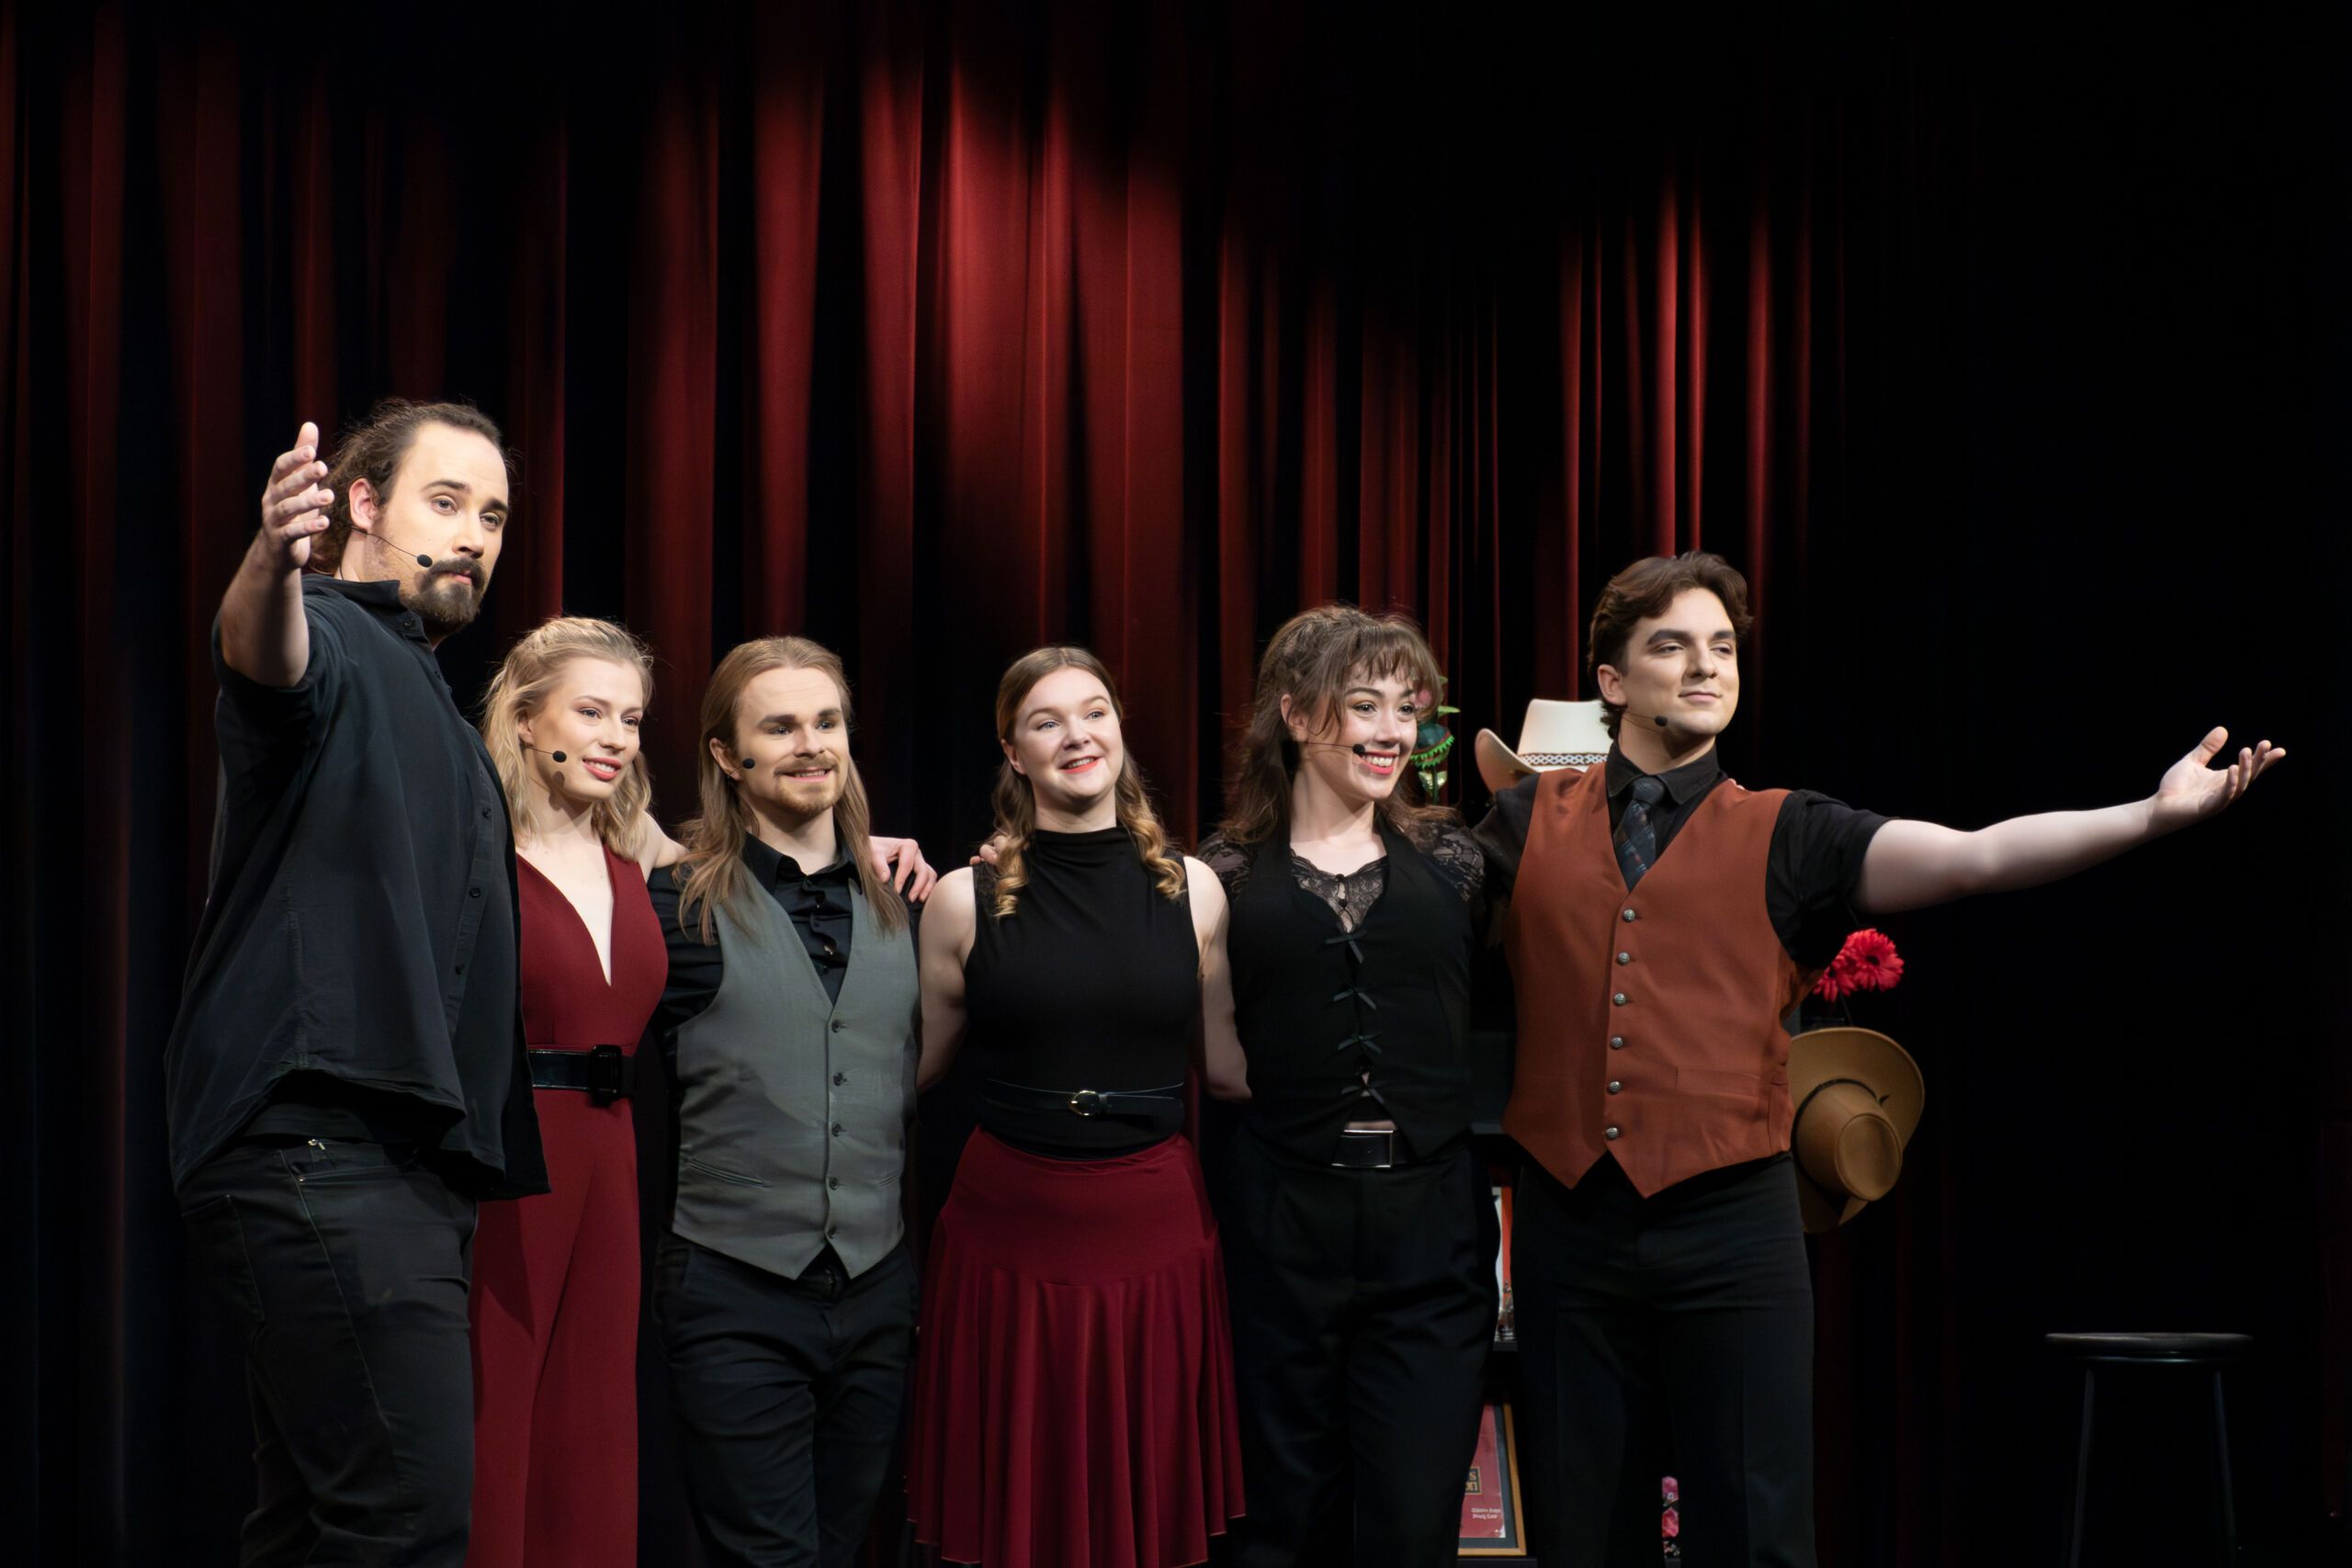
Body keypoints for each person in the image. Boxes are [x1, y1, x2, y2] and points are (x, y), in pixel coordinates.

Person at [1475, 550, 2284, 1567]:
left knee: (1756, 1523)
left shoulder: (1792, 831)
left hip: (1731, 1223)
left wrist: (2151, 817)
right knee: (1582, 1525)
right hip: (1571, 1217)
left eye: (1722, 646)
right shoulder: (1522, 824)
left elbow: (1976, 855)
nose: (1706, 666)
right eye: (1671, 646)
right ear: (1611, 678)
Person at [168, 403, 543, 1565]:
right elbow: (262, 658)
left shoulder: (436, 704)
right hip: (322, 1144)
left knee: (311, 1528)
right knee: (405, 1522)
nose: (473, 536)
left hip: (390, 1162)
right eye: (446, 501)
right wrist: (272, 558)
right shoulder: (328, 628)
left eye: (493, 516)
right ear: (363, 504)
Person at [908, 646, 1250, 1568]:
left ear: (1119, 728)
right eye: (1046, 721)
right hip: (1008, 1234)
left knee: (1145, 1513)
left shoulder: (1195, 889)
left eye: (1093, 711)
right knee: (1014, 1515)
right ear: (1012, 752)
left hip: (1153, 1230)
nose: (1076, 735)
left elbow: (1227, 1070)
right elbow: (911, 1071)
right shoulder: (962, 899)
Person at [1194, 605, 1497, 1568]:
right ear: (1293, 714)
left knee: (1411, 1523)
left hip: (1430, 1227)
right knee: (1281, 1522)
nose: (1391, 730)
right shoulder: (1222, 874)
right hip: (1280, 1222)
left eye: (1407, 708)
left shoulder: (1456, 861)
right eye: (1363, 705)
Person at [647, 636, 936, 1568]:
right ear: (727, 756)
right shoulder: (672, 904)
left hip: (877, 1290)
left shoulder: (912, 900)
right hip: (731, 1288)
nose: (811, 744)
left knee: (843, 1548)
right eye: (779, 727)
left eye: (826, 722)